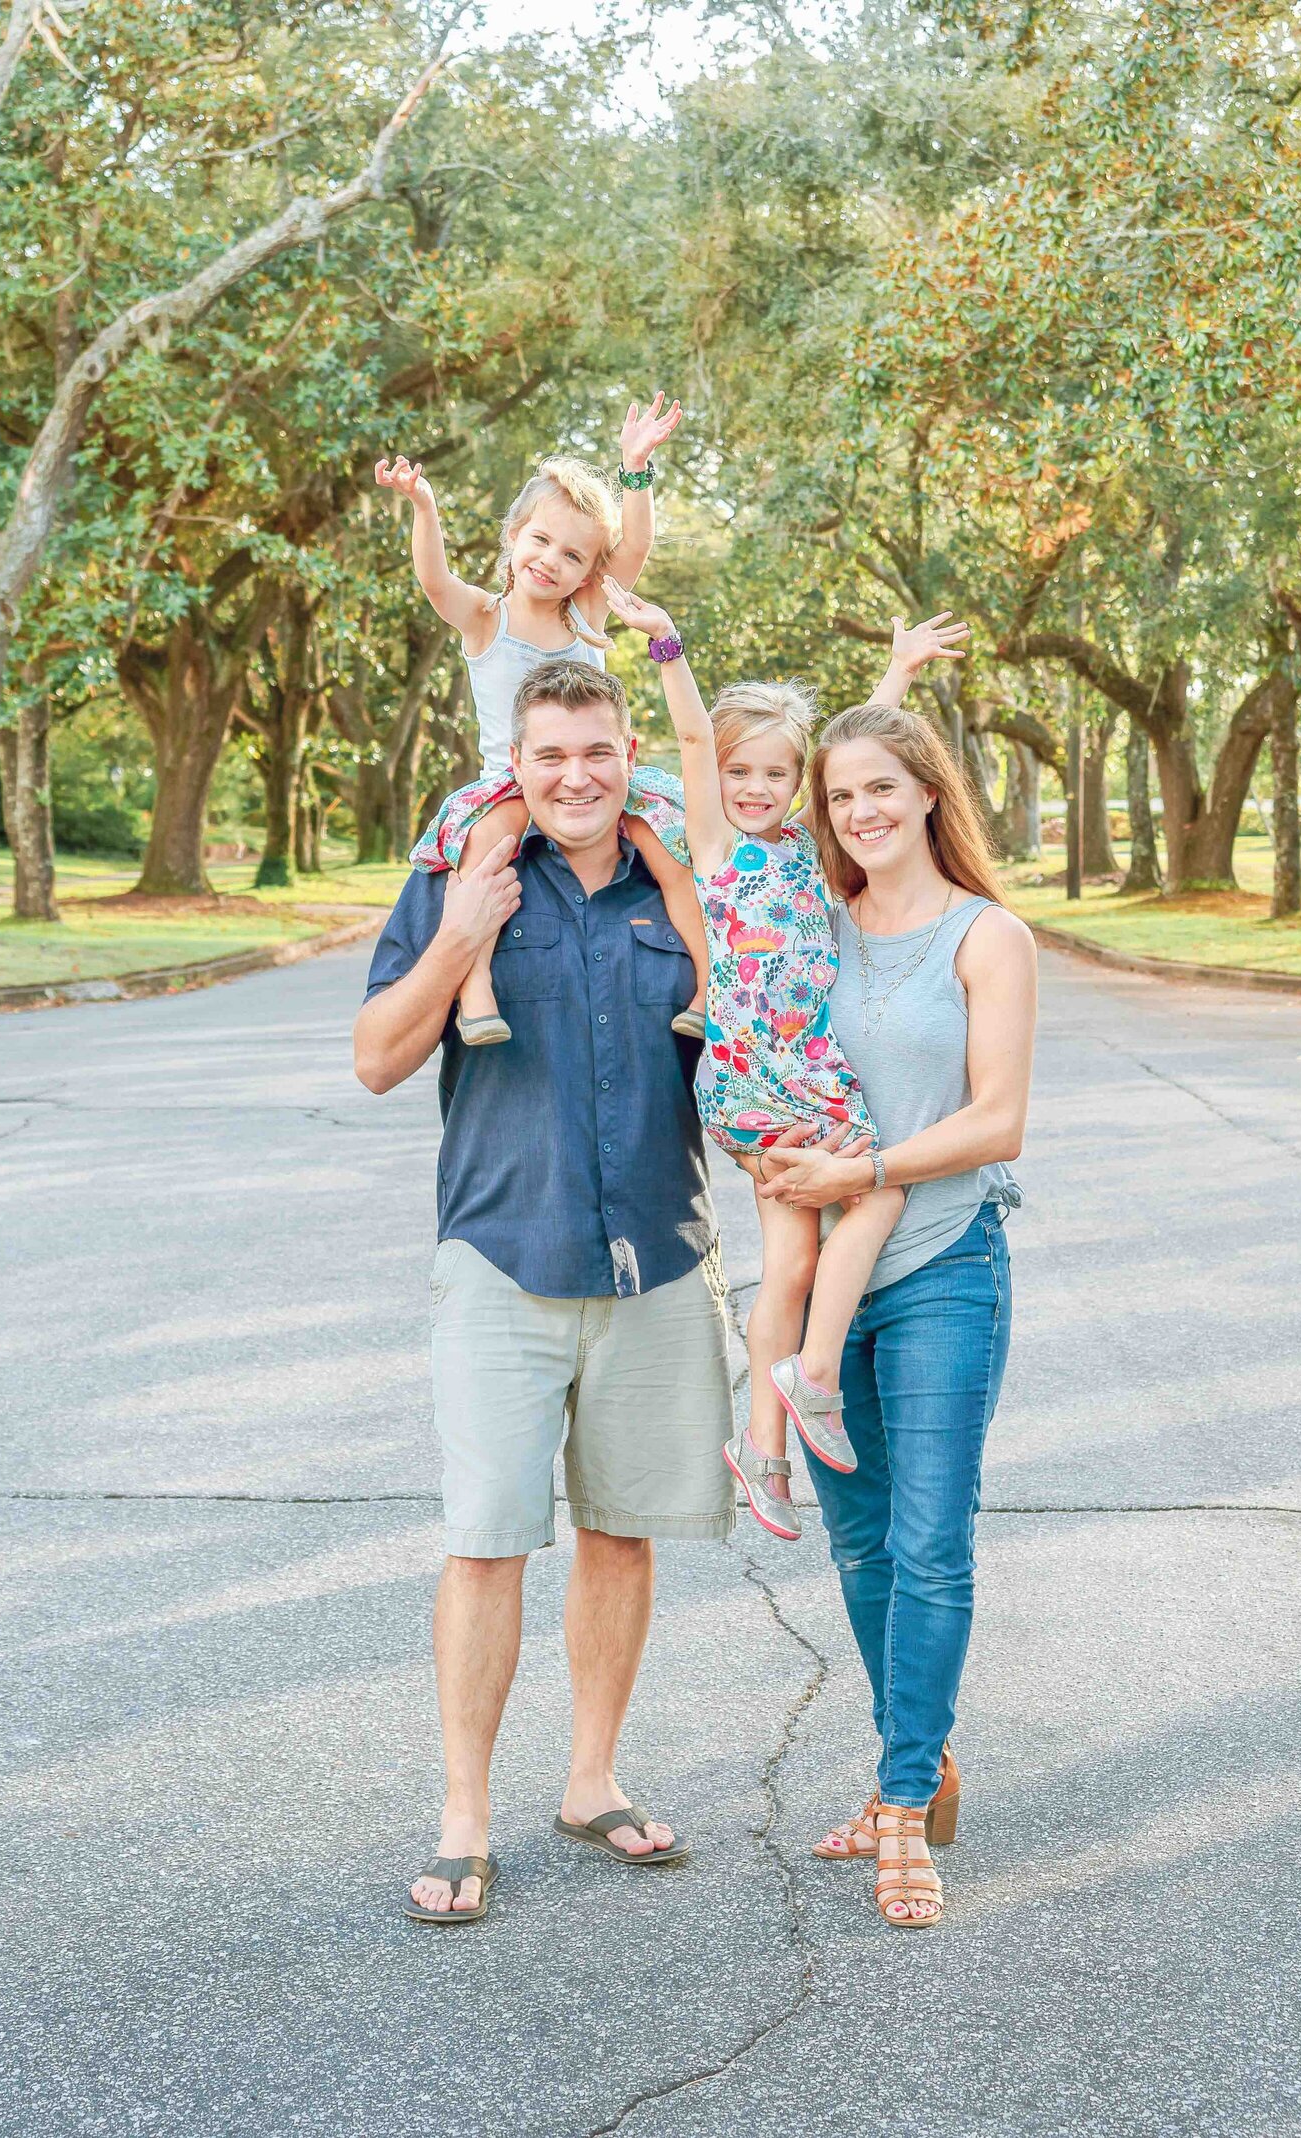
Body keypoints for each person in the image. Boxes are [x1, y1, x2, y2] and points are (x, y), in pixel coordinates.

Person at [353, 657, 735, 1926]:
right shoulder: (461, 876)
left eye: (599, 751)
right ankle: (464, 1814)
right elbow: (374, 1059)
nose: (577, 775)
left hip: (656, 1253)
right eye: (552, 753)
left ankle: (590, 1780)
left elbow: (746, 1045)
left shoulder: (679, 889)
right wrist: (463, 932)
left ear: (632, 757)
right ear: (516, 759)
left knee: (620, 1530)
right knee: (486, 1540)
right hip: (501, 1252)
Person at [596, 576, 970, 1547]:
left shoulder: (805, 842)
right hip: (761, 1074)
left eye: (776, 774)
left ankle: (763, 1451)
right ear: (714, 778)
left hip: (797, 1073)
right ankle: (813, 1376)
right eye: (740, 771)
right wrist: (667, 642)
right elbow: (683, 739)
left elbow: (866, 748)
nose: (757, 789)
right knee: (879, 1193)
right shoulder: (715, 843)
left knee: (794, 1259)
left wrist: (896, 671)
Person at [755, 702, 1037, 1929]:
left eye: (882, 788)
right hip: (824, 1283)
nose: (860, 812)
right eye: (840, 796)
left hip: (939, 1267)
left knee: (928, 1543)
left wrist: (861, 1175)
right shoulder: (811, 923)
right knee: (860, 1547)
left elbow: (997, 1119)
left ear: (928, 791)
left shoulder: (989, 935)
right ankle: (910, 1757)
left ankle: (904, 1795)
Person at [374, 403, 708, 1043]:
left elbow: (634, 544)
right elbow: (433, 577)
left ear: (591, 572)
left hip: (592, 776)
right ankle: (475, 996)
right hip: (510, 780)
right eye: (541, 541)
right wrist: (423, 505)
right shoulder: (484, 617)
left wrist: (634, 470)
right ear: (513, 535)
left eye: (574, 556)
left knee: (670, 848)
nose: (553, 561)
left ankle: (707, 985)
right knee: (484, 858)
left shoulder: (586, 614)